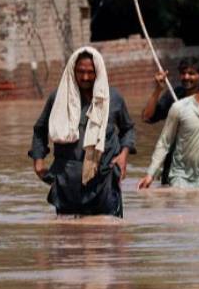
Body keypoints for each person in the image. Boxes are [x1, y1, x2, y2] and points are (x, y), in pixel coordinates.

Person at [28, 47, 136, 217]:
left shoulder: (112, 98)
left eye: (90, 72)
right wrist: (38, 163)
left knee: (109, 237)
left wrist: (123, 155)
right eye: (80, 71)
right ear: (72, 70)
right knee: (68, 237)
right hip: (66, 182)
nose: (85, 77)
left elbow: (128, 129)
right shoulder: (58, 98)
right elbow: (40, 130)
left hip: (104, 180)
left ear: (98, 72)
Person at [140, 57, 199, 185]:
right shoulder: (175, 95)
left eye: (191, 74)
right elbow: (147, 117)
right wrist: (158, 89)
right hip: (173, 169)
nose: (186, 77)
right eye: (183, 73)